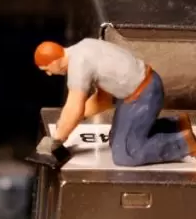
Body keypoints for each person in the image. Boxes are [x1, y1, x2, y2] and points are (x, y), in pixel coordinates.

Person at [32, 39, 196, 168]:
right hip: (137, 90)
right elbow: (102, 100)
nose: (49, 74)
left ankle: (184, 143)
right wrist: (71, 121)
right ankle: (177, 126)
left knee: (126, 154)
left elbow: (74, 106)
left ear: (54, 61)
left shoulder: (78, 63)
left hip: (144, 94)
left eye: (46, 69)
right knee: (115, 140)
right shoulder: (84, 47)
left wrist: (57, 139)